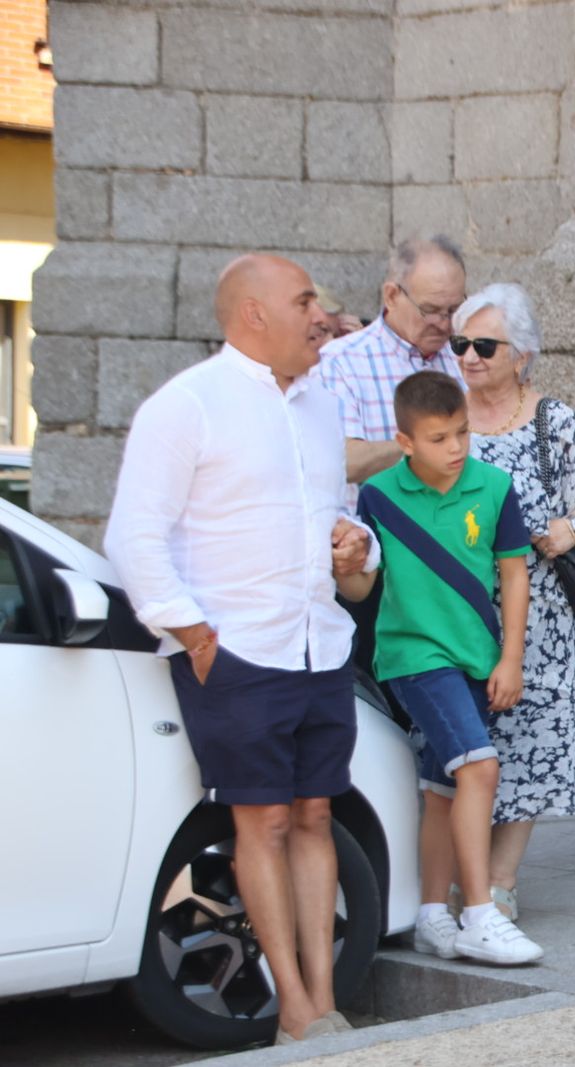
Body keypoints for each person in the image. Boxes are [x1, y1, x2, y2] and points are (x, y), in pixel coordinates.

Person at [105, 254, 377, 1043]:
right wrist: (191, 632)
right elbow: (134, 536)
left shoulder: (321, 406)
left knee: (318, 814)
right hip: (238, 653)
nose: (321, 315)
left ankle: (324, 1002)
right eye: (304, 301)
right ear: (253, 314)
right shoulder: (186, 404)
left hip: (319, 647)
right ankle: (292, 1007)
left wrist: (357, 548)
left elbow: (342, 517)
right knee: (262, 824)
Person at [341, 371, 543, 965]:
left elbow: (513, 573)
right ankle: (480, 912)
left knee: (442, 789)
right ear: (404, 442)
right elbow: (361, 588)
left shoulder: (494, 486)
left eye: (461, 433)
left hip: (477, 656)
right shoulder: (376, 495)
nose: (455, 449)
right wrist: (343, 563)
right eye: (437, 439)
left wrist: (510, 658)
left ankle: (432, 915)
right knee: (479, 767)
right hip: (413, 655)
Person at [456, 283, 575, 919]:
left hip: (540, 621)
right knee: (461, 747)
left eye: (483, 346)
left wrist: (569, 528)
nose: (469, 357)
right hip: (459, 611)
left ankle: (499, 883)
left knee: (529, 746)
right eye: (461, 345)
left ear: (521, 354)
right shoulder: (448, 415)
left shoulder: (551, 420)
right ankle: (458, 874)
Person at [317, 236, 469, 488]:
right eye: (429, 310)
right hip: (377, 525)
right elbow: (342, 461)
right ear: (391, 295)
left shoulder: (466, 356)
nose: (443, 323)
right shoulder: (341, 361)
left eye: (454, 310)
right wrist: (422, 448)